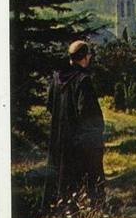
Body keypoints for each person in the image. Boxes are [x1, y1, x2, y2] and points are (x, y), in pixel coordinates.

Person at [42, 40, 106, 209]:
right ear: (85, 57)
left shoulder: (56, 79)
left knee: (63, 183)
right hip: (79, 143)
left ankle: (62, 217)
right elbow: (88, 113)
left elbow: (50, 106)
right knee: (89, 180)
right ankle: (94, 216)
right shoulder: (83, 80)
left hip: (59, 140)